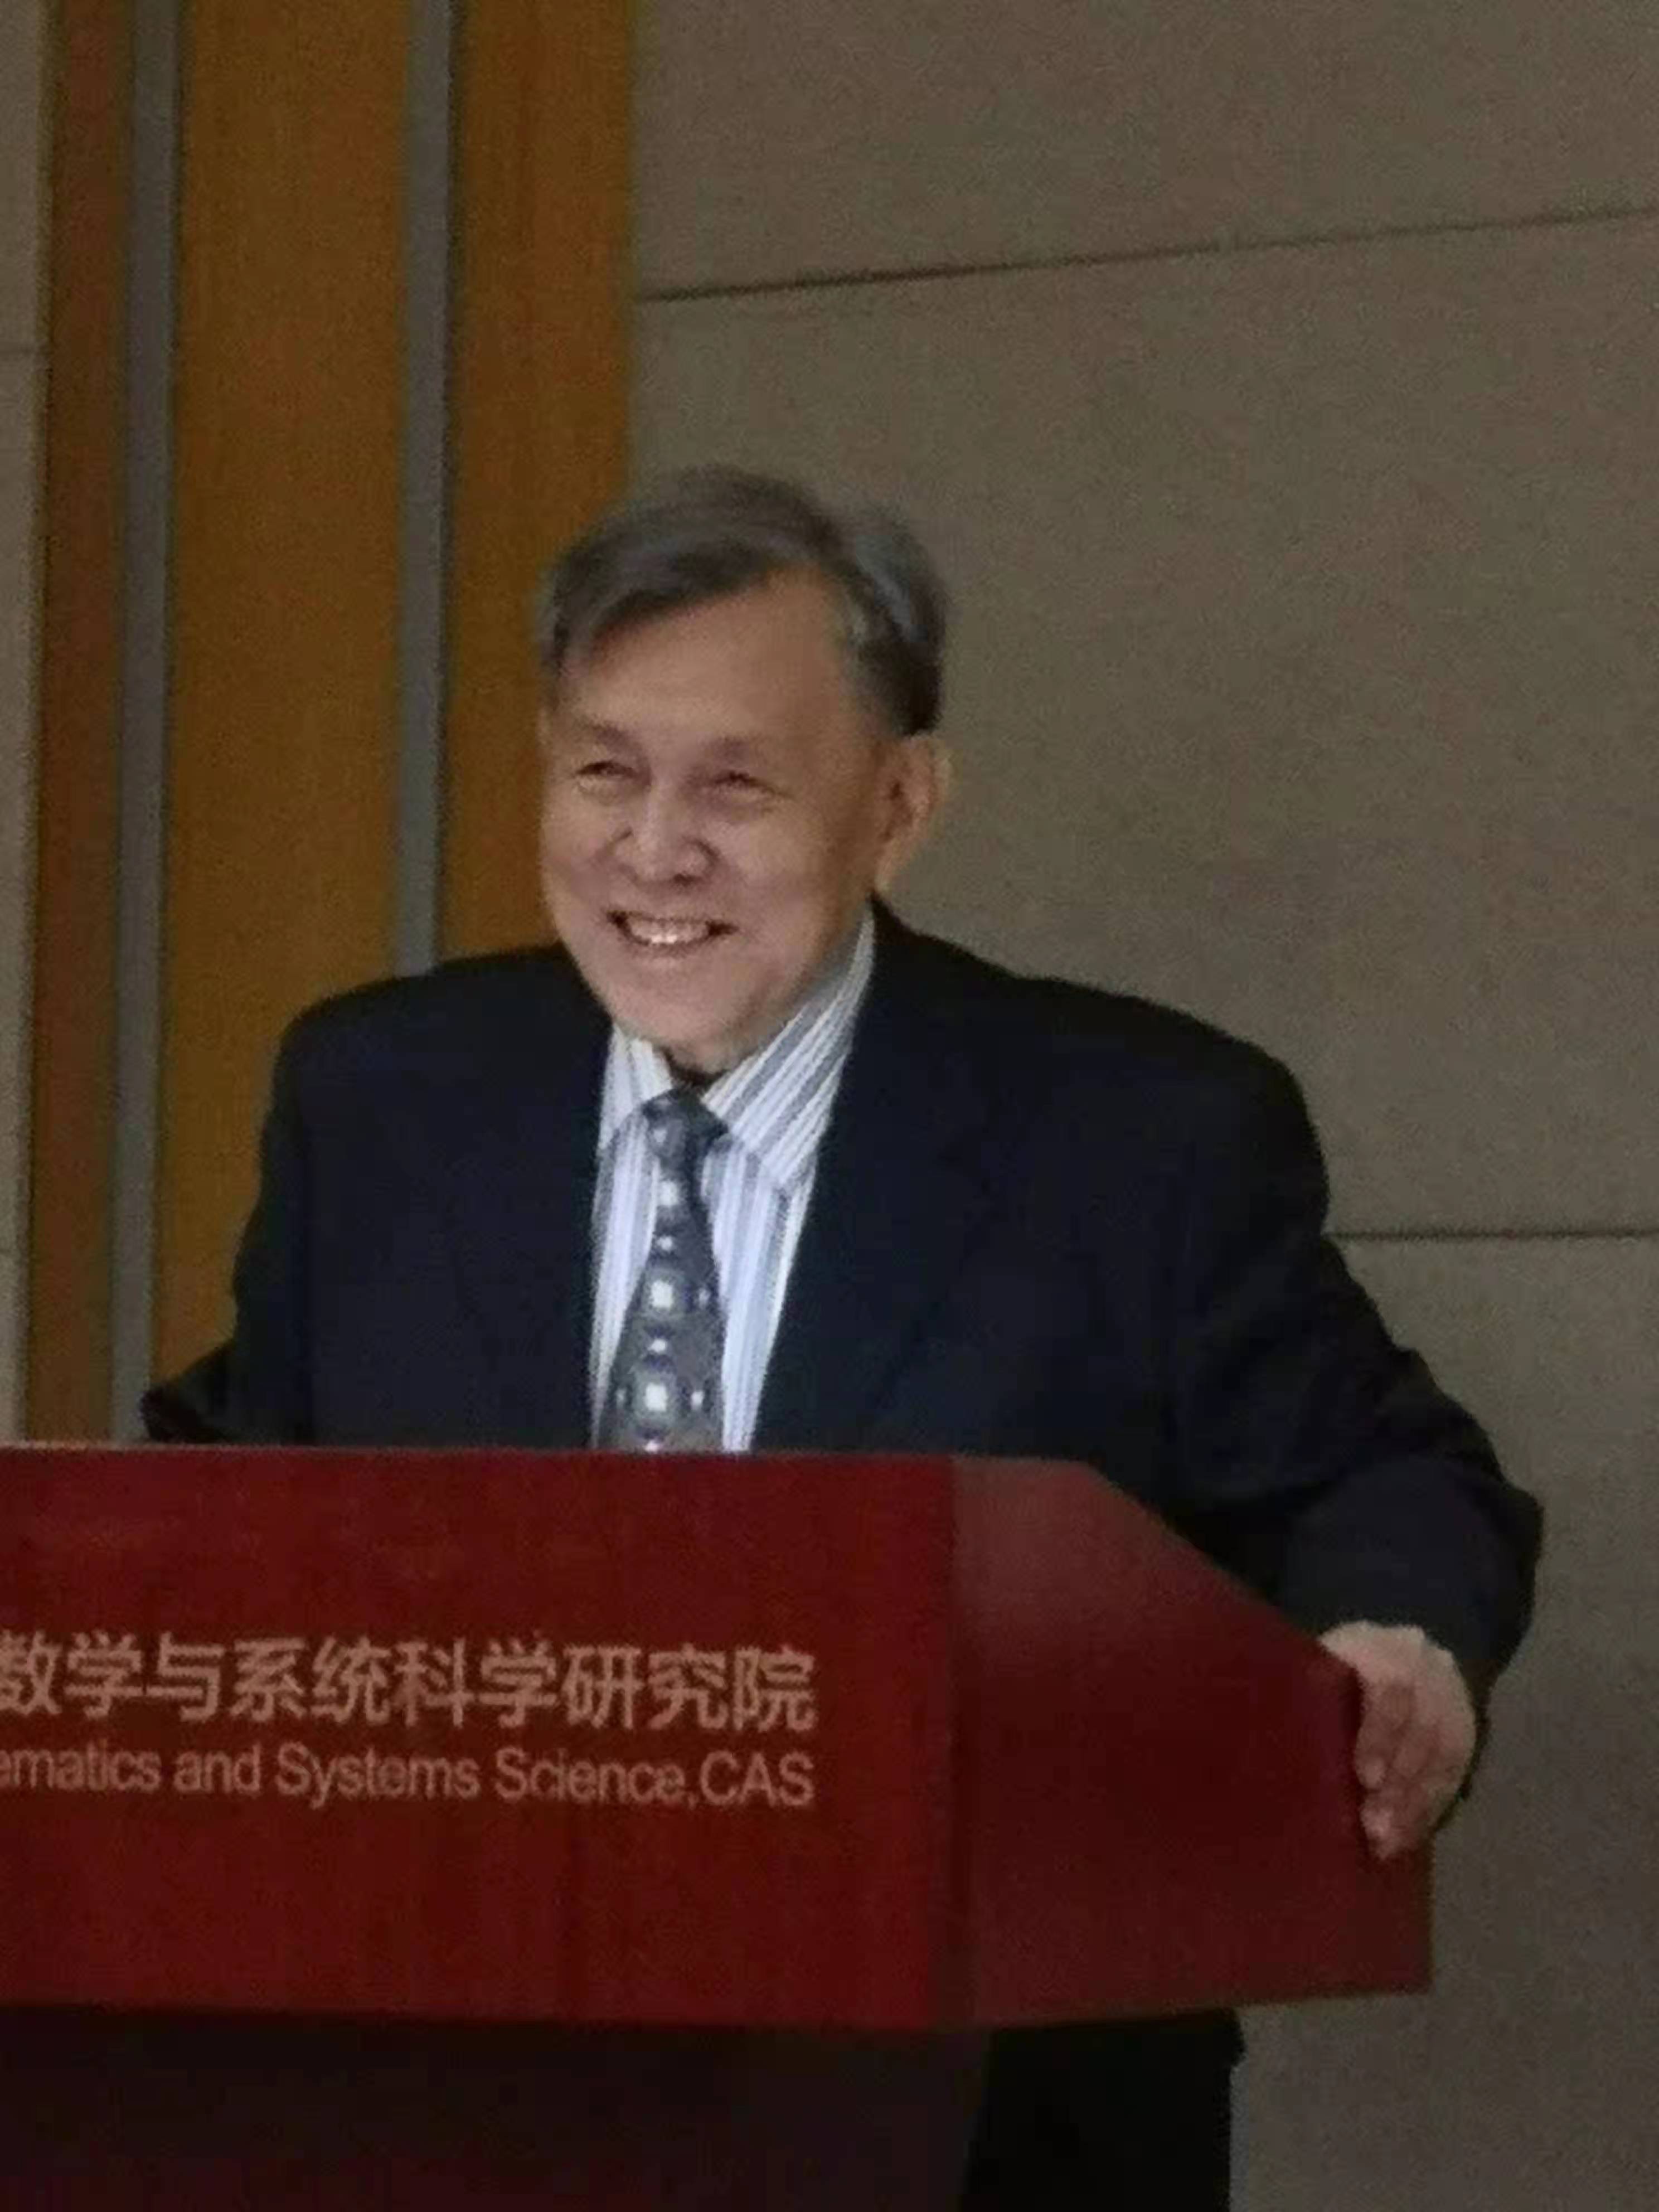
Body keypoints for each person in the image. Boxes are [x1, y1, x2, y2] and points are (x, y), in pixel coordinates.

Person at [145, 466, 1540, 2207]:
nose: (656, 850)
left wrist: (1397, 1647)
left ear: (900, 802)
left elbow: (1387, 1475)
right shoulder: (385, 1098)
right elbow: (240, 1476)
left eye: (735, 785)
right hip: (446, 2101)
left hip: (990, 2123)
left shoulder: (1140, 1139)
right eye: (604, 773)